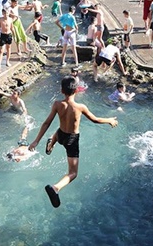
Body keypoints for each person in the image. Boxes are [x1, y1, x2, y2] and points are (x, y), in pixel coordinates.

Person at [27, 76, 118, 208]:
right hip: (72, 140)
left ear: (61, 90)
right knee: (73, 173)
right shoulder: (80, 107)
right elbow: (95, 120)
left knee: (58, 132)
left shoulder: (57, 104)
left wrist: (36, 141)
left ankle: (51, 142)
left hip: (61, 135)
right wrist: (109, 120)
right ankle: (56, 188)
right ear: (77, 91)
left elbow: (47, 123)